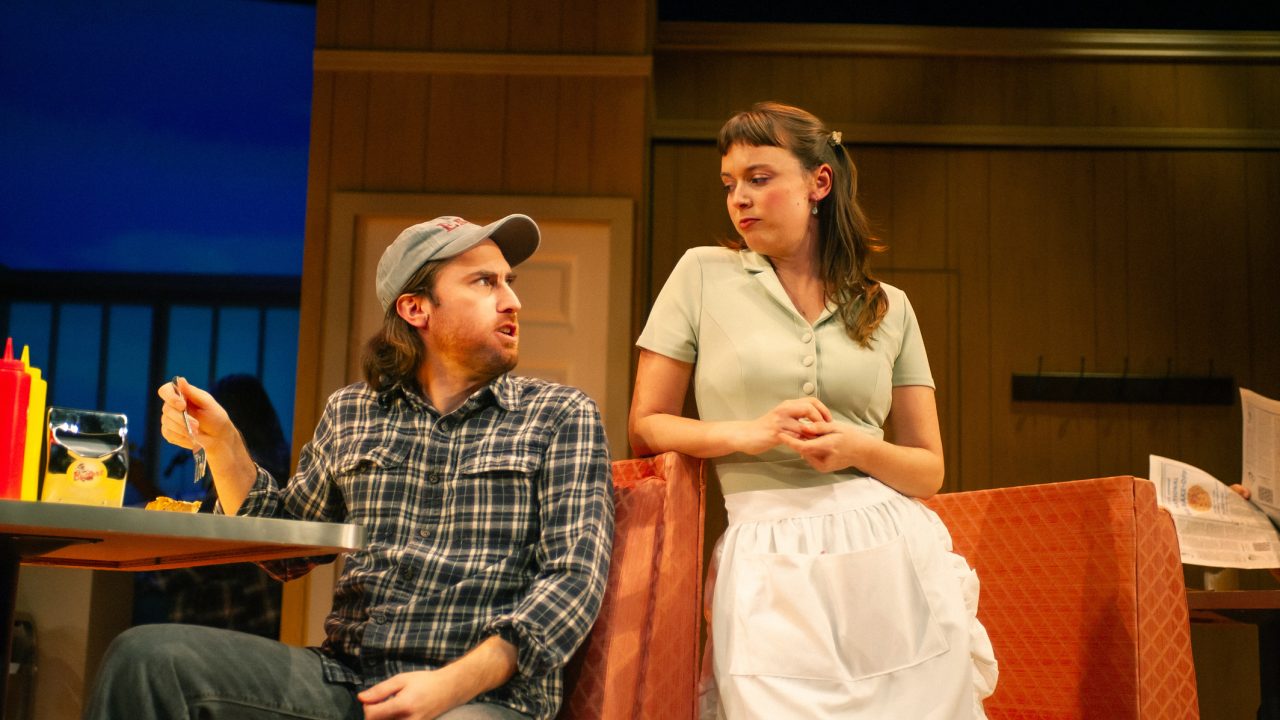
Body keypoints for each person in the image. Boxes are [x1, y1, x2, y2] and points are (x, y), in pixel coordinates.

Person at [87, 214, 615, 720]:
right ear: (415, 309)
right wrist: (223, 440)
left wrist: (449, 685)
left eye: (509, 282)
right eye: (485, 282)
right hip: (348, 680)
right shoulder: (353, 411)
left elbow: (574, 579)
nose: (513, 301)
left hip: (486, 698)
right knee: (147, 659)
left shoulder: (559, 415)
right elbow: (290, 547)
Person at [629, 102, 998, 719]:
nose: (739, 198)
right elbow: (647, 424)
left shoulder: (888, 306)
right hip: (765, 545)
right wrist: (750, 433)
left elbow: (928, 471)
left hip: (887, 549)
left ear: (818, 182)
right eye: (729, 184)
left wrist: (856, 447)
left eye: (759, 178)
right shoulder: (700, 274)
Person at [133, 374, 289, 638]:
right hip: (264, 611)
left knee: (138, 604)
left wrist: (149, 574)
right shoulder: (282, 459)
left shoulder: (240, 469)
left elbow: (213, 543)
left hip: (236, 612)